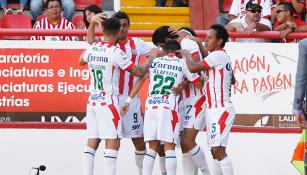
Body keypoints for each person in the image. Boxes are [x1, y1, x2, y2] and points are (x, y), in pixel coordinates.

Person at [82, 16, 160, 175]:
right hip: (111, 101)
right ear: (117, 30)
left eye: (126, 25)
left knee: (138, 140)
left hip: (123, 100)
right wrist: (151, 58)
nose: (123, 29)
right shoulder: (113, 50)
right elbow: (139, 71)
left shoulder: (135, 43)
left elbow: (82, 58)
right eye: (121, 26)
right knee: (110, 141)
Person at [121, 39, 204, 175]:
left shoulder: (154, 62)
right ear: (178, 52)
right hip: (168, 107)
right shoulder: (182, 62)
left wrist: (128, 101)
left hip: (151, 106)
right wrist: (194, 80)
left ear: (164, 51)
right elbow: (199, 84)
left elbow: (141, 79)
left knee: (152, 147)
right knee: (169, 146)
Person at [152, 26, 210, 175]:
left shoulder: (188, 45)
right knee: (183, 146)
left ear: (166, 41)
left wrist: (183, 84)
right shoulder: (175, 49)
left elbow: (198, 71)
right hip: (182, 101)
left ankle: (207, 172)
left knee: (187, 142)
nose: (161, 50)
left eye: (161, 46)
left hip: (197, 97)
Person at [185, 24, 235, 175]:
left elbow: (193, 68)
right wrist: (200, 44)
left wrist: (186, 54)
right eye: (205, 39)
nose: (206, 41)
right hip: (213, 109)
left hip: (221, 109)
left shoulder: (218, 56)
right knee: (215, 151)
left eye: (209, 38)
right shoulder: (220, 56)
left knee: (218, 150)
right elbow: (232, 79)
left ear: (219, 41)